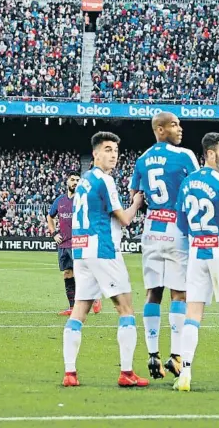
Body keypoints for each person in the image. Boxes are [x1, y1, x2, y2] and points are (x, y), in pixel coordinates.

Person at [62, 131, 149, 388]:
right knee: (126, 309)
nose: (114, 155)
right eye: (108, 150)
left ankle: (70, 373)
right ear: (95, 154)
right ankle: (127, 372)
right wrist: (136, 202)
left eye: (116, 151)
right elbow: (124, 219)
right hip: (103, 249)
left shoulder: (84, 181)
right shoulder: (104, 180)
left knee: (80, 310)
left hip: (81, 250)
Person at [130, 112, 199, 380]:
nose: (180, 129)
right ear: (160, 129)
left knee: (152, 292)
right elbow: (196, 186)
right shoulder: (185, 156)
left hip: (151, 229)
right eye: (174, 124)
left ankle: (152, 355)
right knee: (179, 294)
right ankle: (177, 355)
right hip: (176, 228)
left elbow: (136, 194)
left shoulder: (142, 159)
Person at [174, 133, 219, 392]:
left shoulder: (187, 183)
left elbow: (182, 223)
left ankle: (185, 374)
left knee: (193, 313)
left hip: (197, 251)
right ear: (211, 153)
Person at [47, 173, 102, 316]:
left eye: (78, 180)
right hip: (64, 243)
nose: (75, 182)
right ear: (67, 182)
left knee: (83, 272)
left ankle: (95, 297)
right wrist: (54, 233)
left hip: (79, 242)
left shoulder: (84, 199)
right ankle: (72, 307)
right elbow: (50, 216)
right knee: (67, 273)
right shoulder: (60, 200)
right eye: (72, 179)